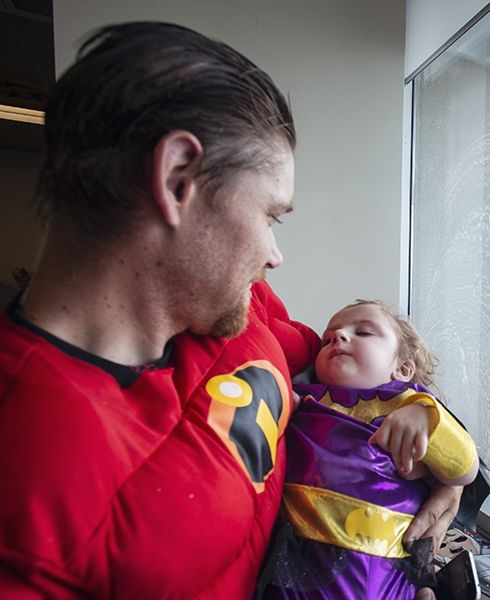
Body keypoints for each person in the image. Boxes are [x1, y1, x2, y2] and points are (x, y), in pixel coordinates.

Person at [0, 22, 461, 599]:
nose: (274, 254)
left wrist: (453, 473)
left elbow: (375, 374)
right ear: (177, 180)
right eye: (270, 215)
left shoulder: (240, 306)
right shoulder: (28, 470)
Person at [259, 300, 478, 599]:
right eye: (327, 339)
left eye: (363, 332)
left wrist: (429, 417)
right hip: (296, 565)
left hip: (381, 572)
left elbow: (465, 470)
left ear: (403, 368)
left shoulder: (411, 404)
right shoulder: (304, 398)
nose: (338, 337)